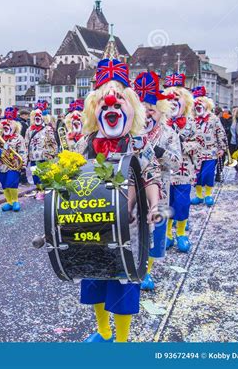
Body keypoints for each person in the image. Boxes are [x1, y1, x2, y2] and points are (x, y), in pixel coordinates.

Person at [79, 59, 161, 343]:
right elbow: (73, 178)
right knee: (95, 279)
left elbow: (151, 177)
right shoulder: (85, 142)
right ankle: (102, 333)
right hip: (92, 226)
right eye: (105, 105)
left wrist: (156, 206)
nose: (111, 109)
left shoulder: (139, 143)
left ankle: (122, 340)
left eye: (118, 104)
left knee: (124, 284)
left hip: (130, 227)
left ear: (131, 108)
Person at [133, 71, 182, 291]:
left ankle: (147, 271)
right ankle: (131, 266)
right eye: (142, 110)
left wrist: (159, 151)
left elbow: (176, 163)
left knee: (155, 231)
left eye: (150, 109)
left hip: (160, 189)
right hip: (133, 191)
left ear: (159, 111)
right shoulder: (130, 131)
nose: (146, 114)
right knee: (134, 230)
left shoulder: (169, 133)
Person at [162, 73, 200, 253]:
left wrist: (182, 145)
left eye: (177, 98)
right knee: (167, 204)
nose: (173, 101)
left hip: (184, 171)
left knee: (183, 204)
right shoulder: (161, 123)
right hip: (166, 172)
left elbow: (199, 143)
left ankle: (181, 233)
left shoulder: (191, 123)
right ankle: (168, 234)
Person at [0, 107, 27, 212]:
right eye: (4, 125)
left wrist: (23, 164)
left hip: (14, 165)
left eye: (9, 124)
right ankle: (9, 202)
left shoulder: (18, 138)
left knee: (11, 183)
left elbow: (22, 151)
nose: (6, 126)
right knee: (4, 184)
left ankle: (15, 201)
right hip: (1, 165)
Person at [190, 87, 227, 206]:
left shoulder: (214, 118)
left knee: (208, 173)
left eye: (201, 103)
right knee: (197, 175)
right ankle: (199, 196)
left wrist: (222, 148)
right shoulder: (192, 119)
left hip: (211, 151)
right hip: (196, 152)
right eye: (196, 103)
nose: (198, 106)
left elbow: (220, 132)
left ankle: (208, 195)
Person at [25, 100, 58, 200]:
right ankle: (39, 190)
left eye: (39, 116)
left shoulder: (47, 129)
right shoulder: (29, 129)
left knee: (44, 175)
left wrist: (53, 154)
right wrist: (26, 156)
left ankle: (45, 191)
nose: (37, 118)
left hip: (45, 157)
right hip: (33, 158)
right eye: (35, 116)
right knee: (35, 175)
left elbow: (53, 142)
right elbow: (26, 143)